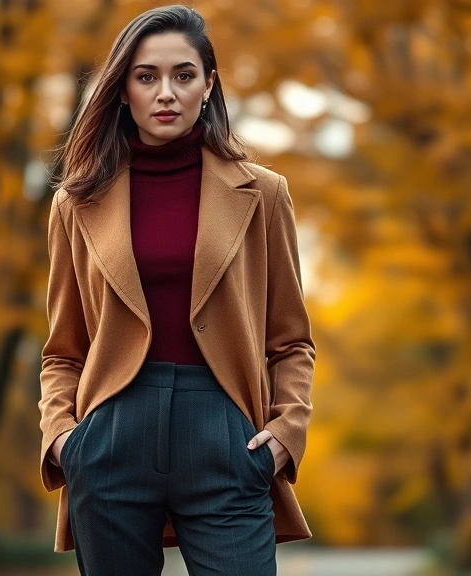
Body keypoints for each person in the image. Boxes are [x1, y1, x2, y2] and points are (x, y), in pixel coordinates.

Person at [38, 5, 315, 575]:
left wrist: (286, 431)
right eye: (147, 77)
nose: (166, 93)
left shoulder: (263, 193)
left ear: (209, 85)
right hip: (110, 437)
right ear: (123, 91)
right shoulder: (77, 202)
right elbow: (63, 349)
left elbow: (290, 340)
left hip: (226, 435)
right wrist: (65, 438)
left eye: (184, 75)